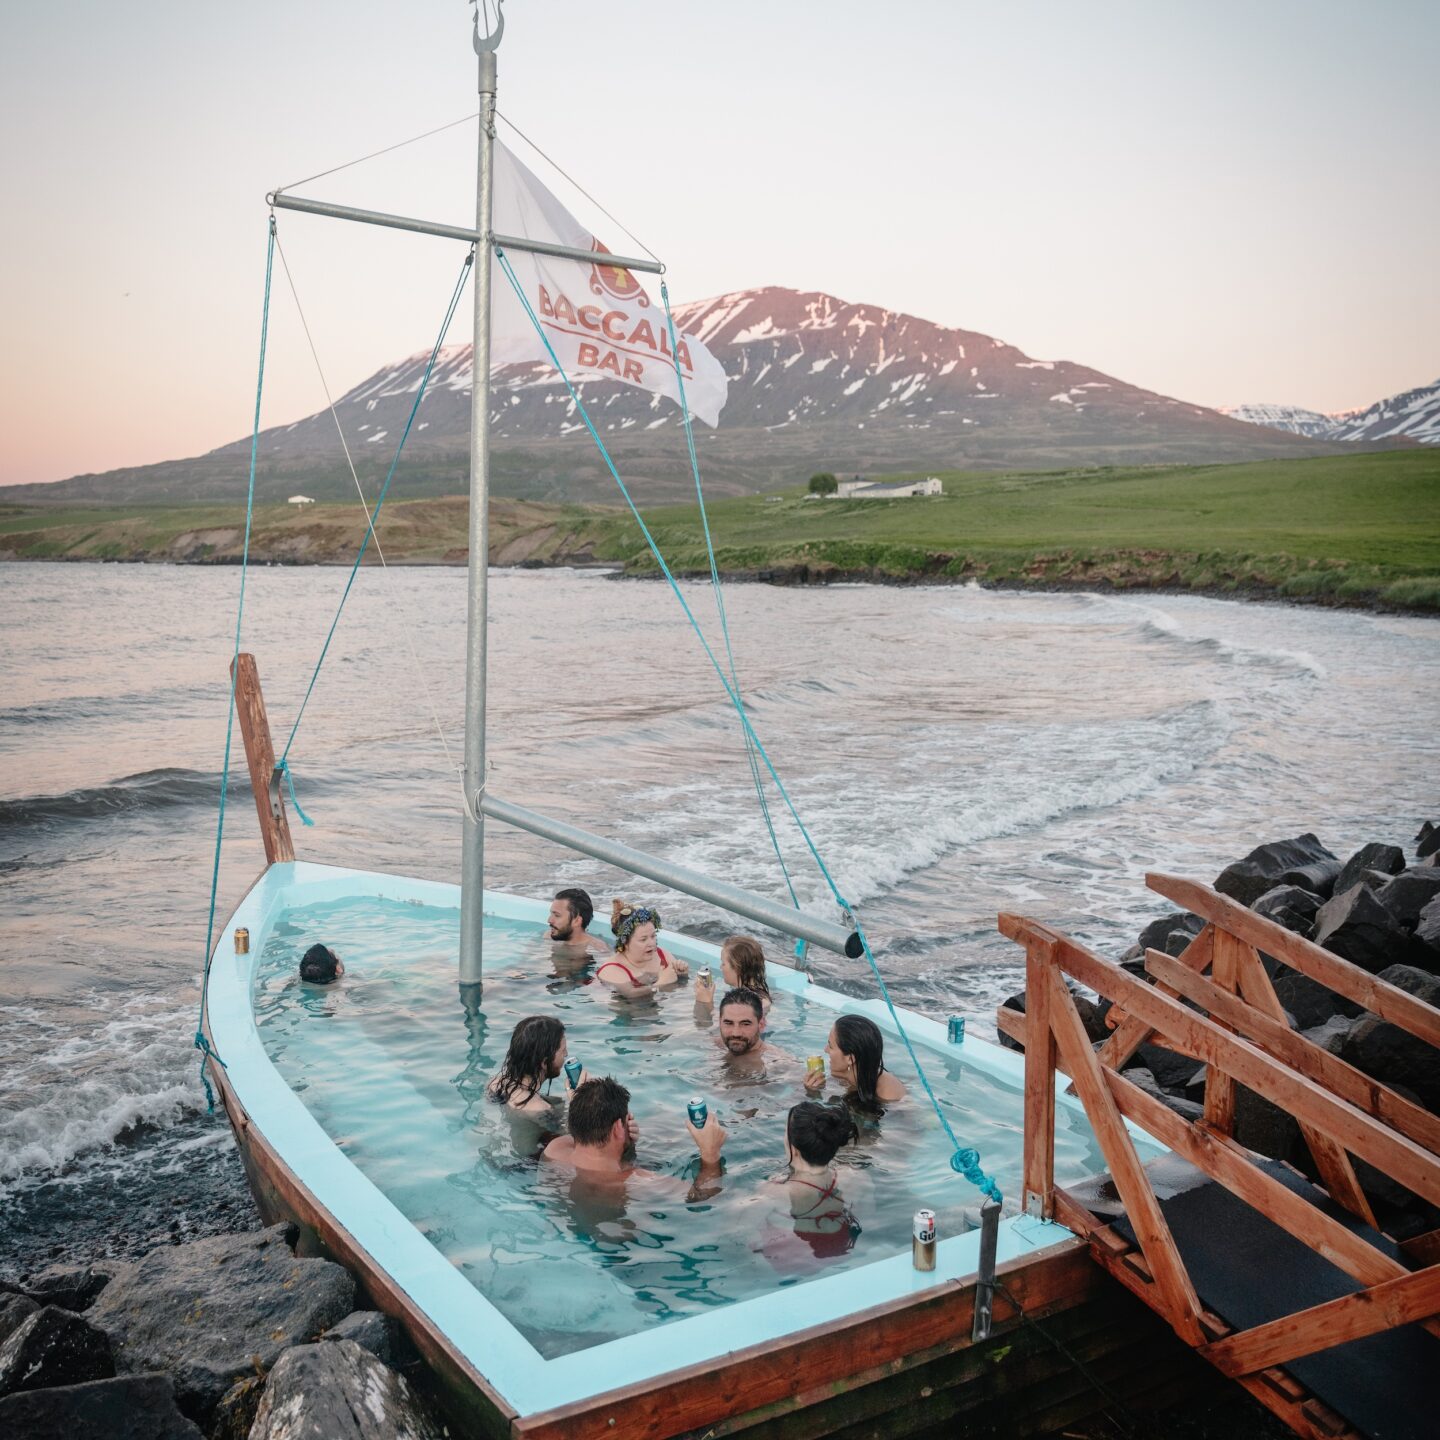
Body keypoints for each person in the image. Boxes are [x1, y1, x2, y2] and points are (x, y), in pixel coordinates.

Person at [542, 1077, 724, 1195]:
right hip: (627, 1245)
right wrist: (711, 1153)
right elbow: (702, 1198)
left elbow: (582, 1130)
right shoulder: (639, 1182)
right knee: (663, 1122)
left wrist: (627, 1143)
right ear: (617, 1129)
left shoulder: (555, 1149)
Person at [777, 1100, 863, 1258]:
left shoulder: (775, 1191)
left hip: (801, 1256)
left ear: (794, 1150)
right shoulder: (856, 1176)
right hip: (848, 1247)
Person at [803, 1014, 907, 1112]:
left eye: (830, 1046)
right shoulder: (851, 1074)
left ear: (850, 1059)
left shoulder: (889, 1095)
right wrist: (813, 1092)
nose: (825, 1050)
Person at [487, 1015, 581, 1116]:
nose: (566, 1054)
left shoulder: (495, 1084)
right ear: (544, 1063)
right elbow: (576, 1132)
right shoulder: (541, 1109)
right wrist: (578, 1103)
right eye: (563, 1050)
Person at [596, 901, 689, 995]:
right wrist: (660, 984)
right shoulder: (611, 970)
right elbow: (631, 995)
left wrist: (682, 975)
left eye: (653, 936)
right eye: (643, 939)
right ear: (625, 942)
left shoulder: (663, 956)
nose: (651, 943)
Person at [693, 935, 772, 1014]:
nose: (721, 967)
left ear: (737, 968)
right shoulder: (760, 995)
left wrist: (705, 1002)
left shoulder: (748, 1003)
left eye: (723, 963)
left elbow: (719, 1025)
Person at [546, 888, 609, 954]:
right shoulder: (548, 937)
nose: (549, 920)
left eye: (557, 915)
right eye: (551, 914)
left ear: (577, 921)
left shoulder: (597, 950)